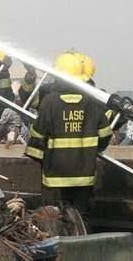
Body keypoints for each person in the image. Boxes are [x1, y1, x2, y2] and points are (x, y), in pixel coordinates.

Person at [24, 52, 112, 230]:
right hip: (84, 176)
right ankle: (85, 250)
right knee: (83, 217)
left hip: (55, 177)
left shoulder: (49, 102)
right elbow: (105, 135)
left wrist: (44, 158)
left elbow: (37, 135)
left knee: (54, 219)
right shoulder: (92, 102)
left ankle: (60, 252)